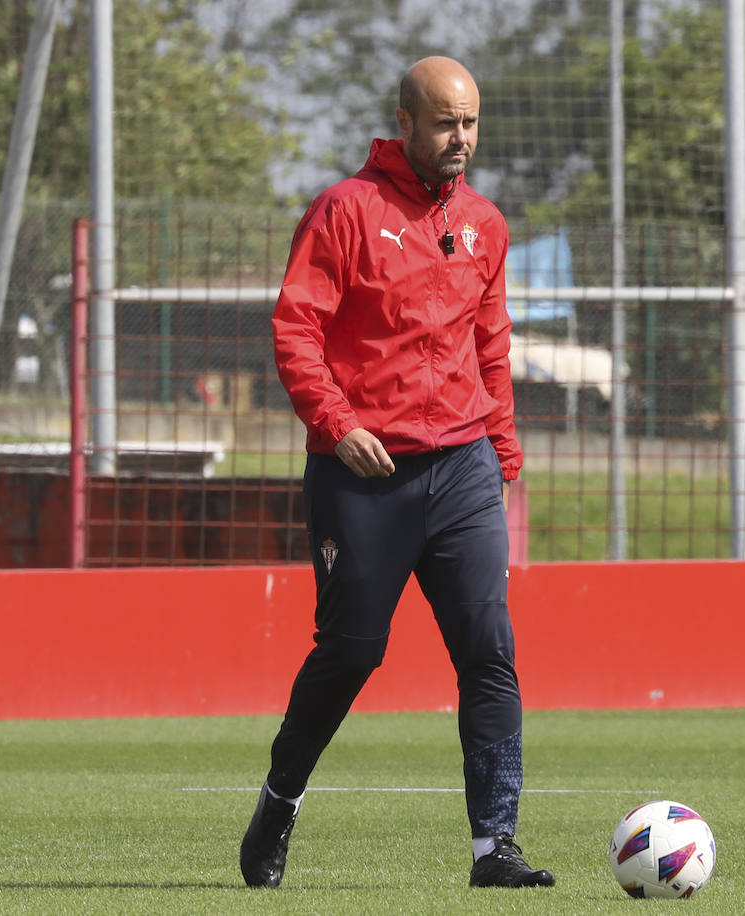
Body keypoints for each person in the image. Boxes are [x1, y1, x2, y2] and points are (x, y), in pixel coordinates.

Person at [239, 56, 554, 891]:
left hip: (463, 470)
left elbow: (492, 346)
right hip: (363, 477)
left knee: (489, 652)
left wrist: (503, 452)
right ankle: (279, 801)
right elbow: (295, 329)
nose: (462, 139)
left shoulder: (485, 223)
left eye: (473, 123)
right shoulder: (344, 210)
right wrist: (336, 426)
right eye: (447, 122)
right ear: (406, 123)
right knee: (351, 651)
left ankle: (496, 849)